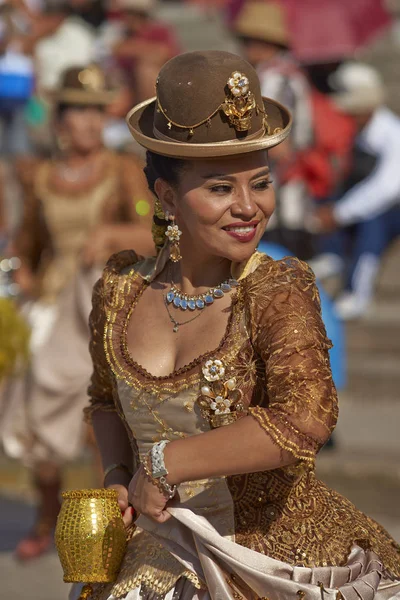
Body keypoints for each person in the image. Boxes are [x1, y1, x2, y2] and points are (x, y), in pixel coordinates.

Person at [75, 51, 400, 600]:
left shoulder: (278, 289)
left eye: (262, 183)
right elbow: (105, 400)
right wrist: (117, 481)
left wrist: (162, 464)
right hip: (152, 558)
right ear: (168, 197)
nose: (250, 208)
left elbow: (305, 420)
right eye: (221, 188)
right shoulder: (120, 291)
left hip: (271, 562)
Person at [0, 63, 154, 561]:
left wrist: (111, 236)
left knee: (101, 423)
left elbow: (156, 231)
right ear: (61, 119)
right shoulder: (39, 175)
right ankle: (47, 518)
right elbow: (29, 245)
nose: (88, 122)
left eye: (95, 111)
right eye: (78, 112)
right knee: (37, 420)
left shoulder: (122, 169)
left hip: (105, 307)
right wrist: (21, 272)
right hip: (51, 310)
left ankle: (105, 529)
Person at [313, 62, 400, 320]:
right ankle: (331, 254)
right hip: (357, 201)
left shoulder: (393, 134)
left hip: (390, 209)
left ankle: (356, 292)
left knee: (372, 219)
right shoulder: (355, 132)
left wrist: (339, 214)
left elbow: (385, 189)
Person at [233, 0, 314, 259]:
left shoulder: (274, 78)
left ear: (263, 42)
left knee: (282, 259)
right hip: (291, 176)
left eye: (248, 41)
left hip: (282, 178)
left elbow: (277, 137)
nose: (245, 48)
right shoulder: (289, 72)